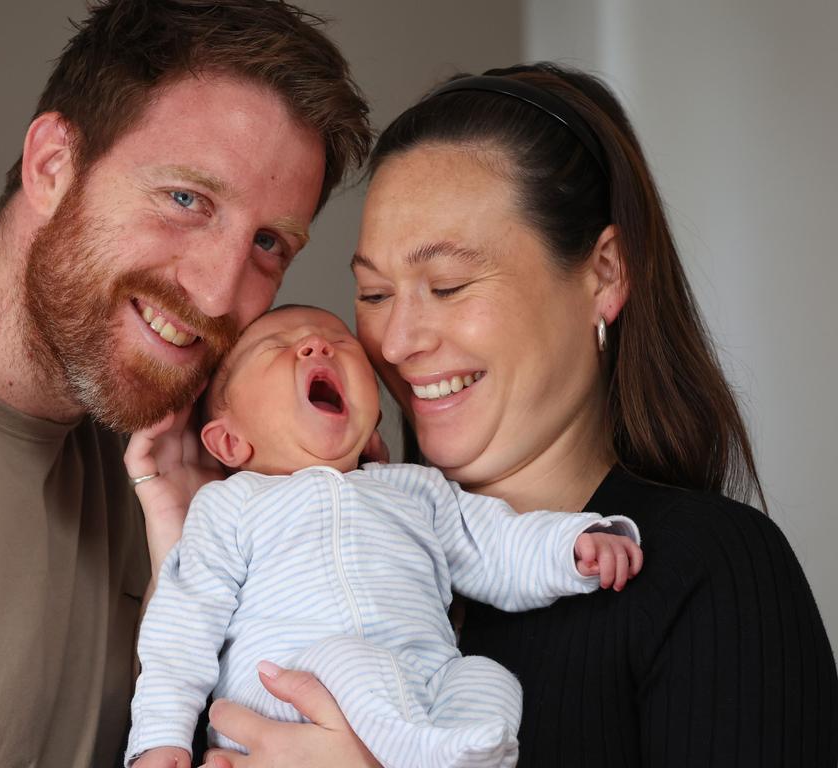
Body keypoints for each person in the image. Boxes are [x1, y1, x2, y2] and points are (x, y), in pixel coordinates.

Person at [171, 65, 838, 767]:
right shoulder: (309, 575)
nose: (396, 343)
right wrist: (185, 554)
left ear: (604, 273)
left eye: (448, 285)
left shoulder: (707, 570)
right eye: (372, 294)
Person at [0, 1, 370, 765]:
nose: (217, 295)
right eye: (186, 200)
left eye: (268, 243)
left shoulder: (175, 439)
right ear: (53, 166)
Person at [125, 304, 642, 768]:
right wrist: (159, 736)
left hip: (417, 688)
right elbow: (184, 622)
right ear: (230, 441)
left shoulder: (418, 492)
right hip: (288, 696)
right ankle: (423, 754)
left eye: (341, 342)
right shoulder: (230, 506)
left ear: (372, 417)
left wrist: (572, 546)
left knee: (487, 678)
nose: (317, 345)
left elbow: (496, 543)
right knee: (349, 659)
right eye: (277, 349)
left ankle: (452, 756)